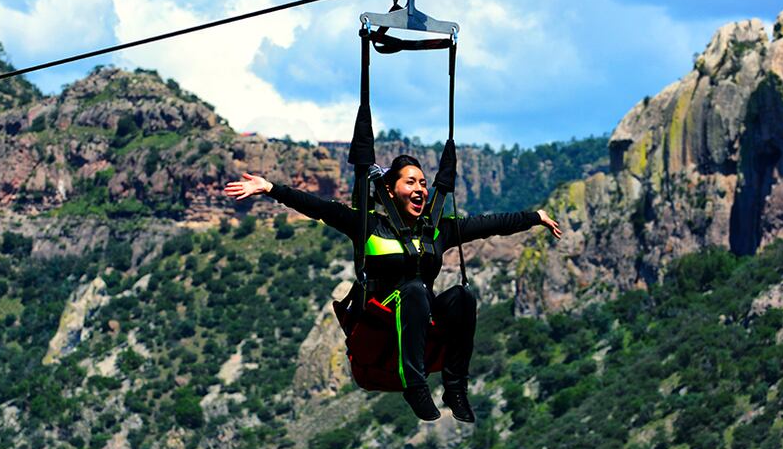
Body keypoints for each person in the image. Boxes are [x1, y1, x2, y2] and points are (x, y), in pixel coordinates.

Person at [224, 155, 561, 422]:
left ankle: (455, 386)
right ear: (389, 190)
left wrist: (534, 217)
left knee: (462, 296)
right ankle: (415, 386)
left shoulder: (436, 230)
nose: (420, 189)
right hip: (381, 321)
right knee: (413, 289)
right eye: (410, 182)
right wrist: (271, 188)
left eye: (423, 183)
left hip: (417, 322)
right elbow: (319, 207)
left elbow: (490, 225)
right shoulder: (368, 225)